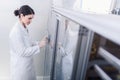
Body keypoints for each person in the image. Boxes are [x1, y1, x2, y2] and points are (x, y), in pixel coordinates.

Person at [9, 5, 47, 80]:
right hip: (20, 67)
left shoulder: (23, 27)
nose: (31, 21)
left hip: (27, 64)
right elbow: (22, 52)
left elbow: (28, 42)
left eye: (32, 18)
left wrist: (40, 42)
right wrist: (39, 46)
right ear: (22, 16)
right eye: (29, 18)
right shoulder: (16, 32)